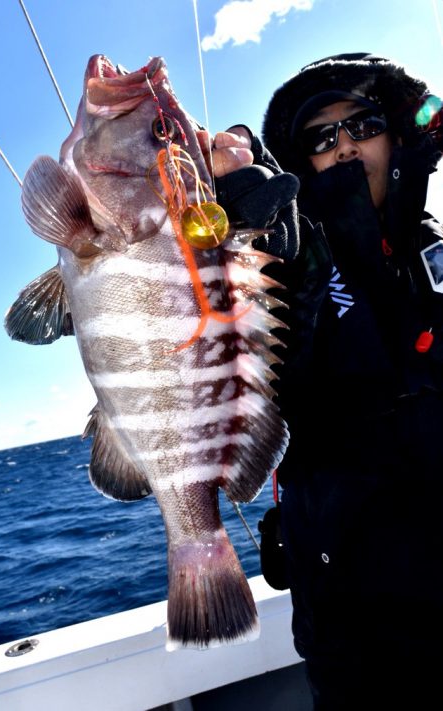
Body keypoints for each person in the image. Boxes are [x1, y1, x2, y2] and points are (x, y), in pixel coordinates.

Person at [207, 53, 443, 709]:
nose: (343, 145)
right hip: (362, 643)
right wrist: (237, 212)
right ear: (300, 165)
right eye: (320, 137)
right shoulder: (292, 260)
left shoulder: (433, 251)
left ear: (395, 137)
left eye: (361, 123)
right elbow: (270, 278)